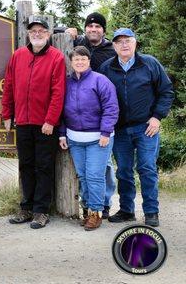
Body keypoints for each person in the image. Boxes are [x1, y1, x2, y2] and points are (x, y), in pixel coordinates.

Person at [99, 28, 174, 227]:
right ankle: (126, 210)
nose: (124, 44)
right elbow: (99, 97)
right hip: (120, 130)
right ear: (113, 45)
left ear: (135, 43)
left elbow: (166, 92)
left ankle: (151, 212)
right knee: (123, 171)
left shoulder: (149, 64)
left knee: (147, 168)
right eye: (119, 41)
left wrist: (157, 117)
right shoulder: (107, 68)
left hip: (146, 128)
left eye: (128, 40)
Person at [2, 18, 66, 229]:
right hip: (23, 121)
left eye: (41, 31)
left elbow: (58, 93)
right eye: (33, 31)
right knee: (26, 165)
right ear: (28, 34)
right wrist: (7, 114)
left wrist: (50, 120)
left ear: (47, 34)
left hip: (45, 125)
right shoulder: (18, 56)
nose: (37, 34)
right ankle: (26, 208)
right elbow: (9, 86)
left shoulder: (56, 57)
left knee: (44, 167)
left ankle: (41, 211)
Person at [59, 46, 119, 231]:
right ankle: (87, 211)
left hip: (98, 138)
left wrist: (105, 132)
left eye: (83, 58)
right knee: (83, 176)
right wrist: (62, 133)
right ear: (71, 62)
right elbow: (60, 110)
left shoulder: (100, 80)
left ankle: (96, 213)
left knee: (95, 176)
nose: (79, 62)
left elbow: (111, 107)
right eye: (76, 59)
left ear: (89, 61)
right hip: (75, 138)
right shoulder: (66, 83)